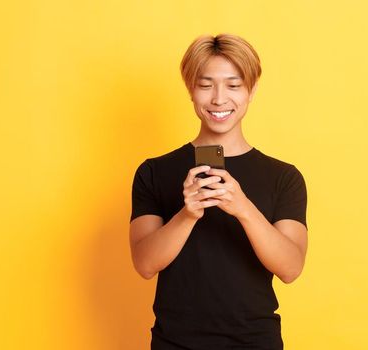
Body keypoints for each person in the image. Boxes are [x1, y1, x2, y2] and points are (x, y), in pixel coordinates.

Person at [129, 33, 309, 350]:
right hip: (175, 341)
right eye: (205, 84)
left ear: (251, 90)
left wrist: (242, 207)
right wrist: (188, 214)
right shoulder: (154, 172)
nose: (218, 98)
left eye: (233, 85)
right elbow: (144, 264)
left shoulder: (283, 177)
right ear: (190, 90)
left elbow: (291, 268)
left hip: (255, 341)